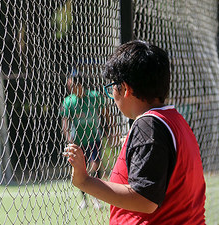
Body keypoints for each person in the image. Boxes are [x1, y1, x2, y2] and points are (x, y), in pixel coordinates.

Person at [63, 40, 206, 224]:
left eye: (111, 88)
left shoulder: (148, 126)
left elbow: (145, 200)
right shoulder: (172, 119)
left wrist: (84, 181)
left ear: (125, 88)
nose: (112, 95)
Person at [60, 65, 104, 209]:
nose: (69, 88)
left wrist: (110, 130)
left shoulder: (94, 96)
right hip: (78, 141)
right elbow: (65, 122)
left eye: (71, 85)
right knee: (80, 170)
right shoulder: (68, 101)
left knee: (95, 165)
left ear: (79, 85)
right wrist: (69, 140)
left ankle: (96, 198)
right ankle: (84, 199)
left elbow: (105, 113)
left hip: (94, 138)